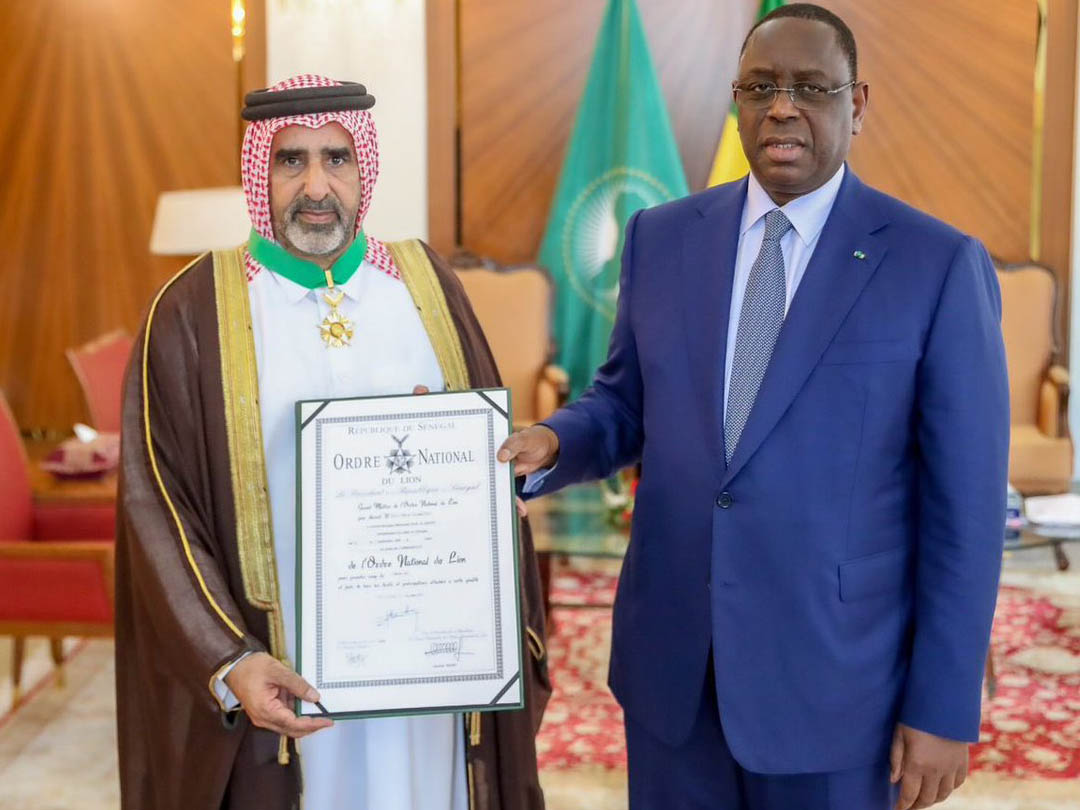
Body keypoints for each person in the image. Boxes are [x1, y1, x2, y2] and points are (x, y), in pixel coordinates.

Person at [499, 5, 1008, 810]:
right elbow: (625, 403)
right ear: (737, 101)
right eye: (761, 87)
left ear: (857, 104)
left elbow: (966, 512)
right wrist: (553, 443)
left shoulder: (935, 264)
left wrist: (943, 706)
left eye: (811, 87)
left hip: (836, 687)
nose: (782, 108)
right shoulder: (661, 238)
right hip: (674, 673)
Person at [116, 74, 549, 810]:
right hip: (280, 674)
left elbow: (483, 454)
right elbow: (156, 508)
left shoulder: (426, 286)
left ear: (364, 166)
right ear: (260, 170)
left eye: (336, 158)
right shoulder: (192, 311)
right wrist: (230, 660)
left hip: (428, 672)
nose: (316, 186)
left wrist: (487, 493)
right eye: (291, 159)